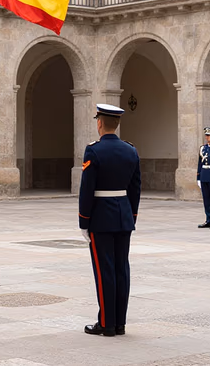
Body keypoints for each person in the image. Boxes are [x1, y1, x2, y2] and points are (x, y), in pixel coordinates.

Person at [79, 104, 141, 337]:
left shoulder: (93, 151)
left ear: (99, 123)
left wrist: (84, 221)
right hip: (124, 216)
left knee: (105, 270)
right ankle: (120, 323)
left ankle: (106, 324)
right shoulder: (131, 150)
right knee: (121, 269)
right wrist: (131, 215)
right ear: (117, 124)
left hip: (101, 218)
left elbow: (87, 189)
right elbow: (135, 188)